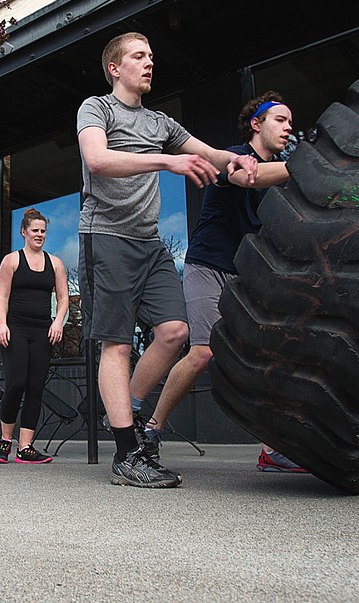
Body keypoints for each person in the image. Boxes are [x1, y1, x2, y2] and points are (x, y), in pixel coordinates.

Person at [77, 31, 257, 488]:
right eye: (138, 56)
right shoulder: (97, 108)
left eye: (152, 56)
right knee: (116, 343)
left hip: (150, 243)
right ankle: (126, 453)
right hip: (108, 236)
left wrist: (237, 162)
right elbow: (97, 160)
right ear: (115, 68)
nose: (149, 63)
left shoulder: (160, 122)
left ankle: (128, 413)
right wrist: (165, 162)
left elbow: (211, 154)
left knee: (175, 331)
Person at [141, 92, 306, 473]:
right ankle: (150, 430)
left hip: (248, 273)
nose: (288, 128)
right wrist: (303, 165)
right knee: (203, 352)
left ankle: (273, 447)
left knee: (265, 358)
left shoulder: (281, 173)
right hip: (208, 265)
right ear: (256, 124)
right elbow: (246, 178)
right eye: (280, 120)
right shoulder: (234, 157)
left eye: (290, 122)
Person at [0, 208, 71, 464]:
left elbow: (63, 298)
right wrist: (2, 324)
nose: (39, 235)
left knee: (35, 387)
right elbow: (2, 296)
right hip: (15, 329)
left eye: (43, 231)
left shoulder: (56, 263)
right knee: (16, 384)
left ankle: (25, 447)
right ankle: (5, 441)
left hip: (43, 331)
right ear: (24, 232)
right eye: (35, 230)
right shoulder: (12, 260)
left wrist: (58, 322)